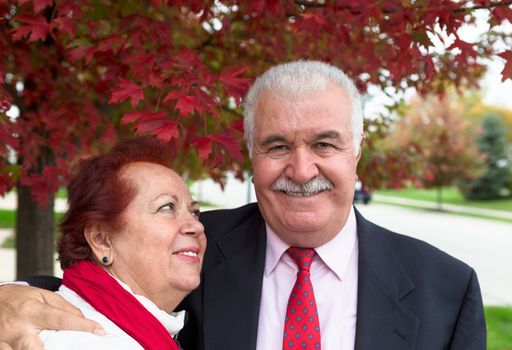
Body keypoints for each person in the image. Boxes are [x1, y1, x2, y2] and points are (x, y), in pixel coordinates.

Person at [0, 61, 485, 350]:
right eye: (277, 147)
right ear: (251, 154)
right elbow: (98, 287)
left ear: (357, 148)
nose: (300, 170)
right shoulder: (192, 251)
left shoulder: (445, 288)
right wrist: (9, 297)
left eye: (324, 145)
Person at [10, 137, 206, 349]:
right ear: (101, 241)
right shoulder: (84, 340)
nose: (197, 226)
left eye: (194, 212)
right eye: (166, 207)